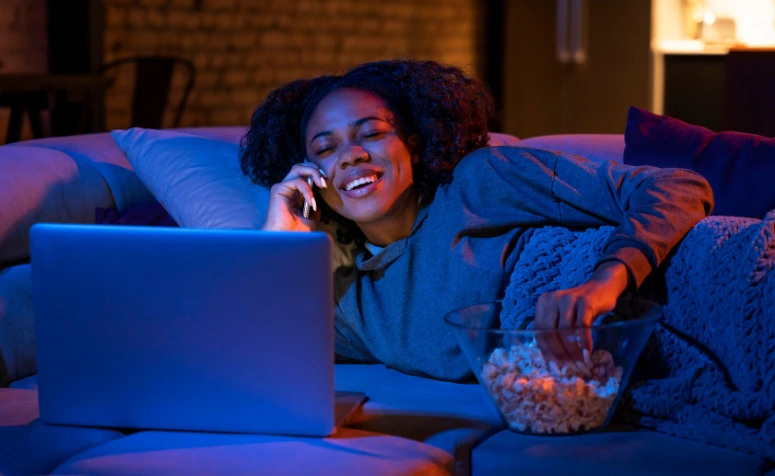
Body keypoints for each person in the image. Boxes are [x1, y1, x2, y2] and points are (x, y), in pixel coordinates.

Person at [239, 59, 713, 381]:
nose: (351, 155)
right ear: (308, 173)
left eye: (372, 133)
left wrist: (603, 283)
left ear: (414, 142)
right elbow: (247, 350)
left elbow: (678, 187)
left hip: (706, 282)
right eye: (325, 148)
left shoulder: (477, 182)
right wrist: (278, 244)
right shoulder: (349, 302)